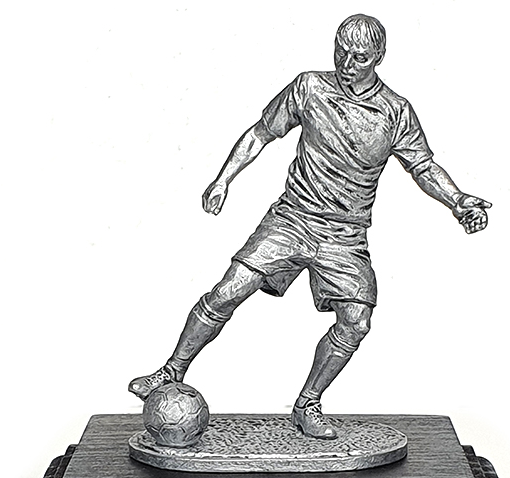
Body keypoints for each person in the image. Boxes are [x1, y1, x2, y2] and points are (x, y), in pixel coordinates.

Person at [129, 14, 490, 439]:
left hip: (344, 235)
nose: (347, 63)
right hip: (293, 219)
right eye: (341, 51)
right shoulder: (309, 87)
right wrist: (223, 179)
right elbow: (260, 133)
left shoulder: (395, 112)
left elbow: (423, 167)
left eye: (359, 57)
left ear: (379, 57)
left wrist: (458, 201)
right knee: (228, 290)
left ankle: (307, 404)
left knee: (356, 321)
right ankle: (170, 371)